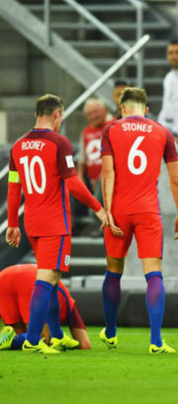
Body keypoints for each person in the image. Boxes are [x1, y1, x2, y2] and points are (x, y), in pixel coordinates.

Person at [6, 94, 108, 354]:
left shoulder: (17, 146)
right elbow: (73, 183)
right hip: (55, 222)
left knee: (52, 278)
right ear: (58, 114)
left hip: (32, 221)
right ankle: (32, 340)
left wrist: (12, 224)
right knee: (48, 277)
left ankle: (59, 335)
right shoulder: (60, 143)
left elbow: (13, 187)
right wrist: (98, 209)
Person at [100, 87, 178, 354]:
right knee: (154, 273)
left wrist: (107, 211)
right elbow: (176, 180)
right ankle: (156, 341)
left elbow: (107, 173)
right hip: (148, 210)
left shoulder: (111, 130)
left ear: (123, 108)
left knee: (114, 271)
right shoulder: (163, 132)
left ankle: (111, 332)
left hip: (120, 209)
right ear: (146, 109)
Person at [0, 264, 90, 351]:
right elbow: (85, 344)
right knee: (40, 340)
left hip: (4, 277)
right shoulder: (69, 304)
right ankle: (14, 340)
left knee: (19, 336)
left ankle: (12, 340)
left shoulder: (63, 297)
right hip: (31, 280)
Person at [78, 98, 111, 194]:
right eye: (89, 114)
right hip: (91, 182)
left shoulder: (113, 126)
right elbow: (81, 160)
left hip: (110, 180)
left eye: (96, 112)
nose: (93, 116)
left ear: (104, 110)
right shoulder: (85, 132)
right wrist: (80, 177)